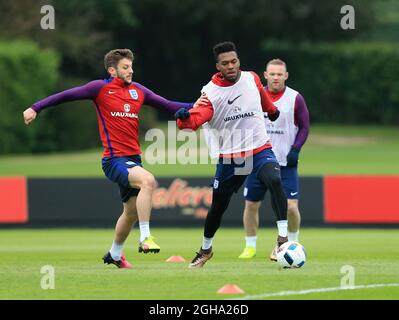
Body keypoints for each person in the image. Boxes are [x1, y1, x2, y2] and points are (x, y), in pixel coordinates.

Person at [23, 48, 204, 269]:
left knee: (130, 212)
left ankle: (115, 253)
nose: (131, 71)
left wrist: (200, 107)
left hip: (133, 160)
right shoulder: (99, 88)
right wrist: (35, 107)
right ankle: (146, 237)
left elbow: (168, 105)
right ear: (112, 70)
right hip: (113, 160)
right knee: (148, 181)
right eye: (125, 67)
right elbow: (65, 96)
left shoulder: (138, 91)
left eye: (131, 67)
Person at [175, 42, 289, 268]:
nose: (231, 66)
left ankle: (282, 241)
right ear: (218, 66)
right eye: (225, 63)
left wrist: (272, 111)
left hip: (259, 149)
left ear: (239, 61)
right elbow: (195, 120)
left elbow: (260, 96)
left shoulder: (252, 78)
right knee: (218, 206)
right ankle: (205, 249)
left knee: (274, 179)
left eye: (234, 61)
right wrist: (184, 119)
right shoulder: (210, 93)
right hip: (231, 157)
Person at [238, 58, 310, 260]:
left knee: (291, 207)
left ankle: (291, 243)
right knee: (251, 204)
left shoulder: (295, 98)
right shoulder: (253, 96)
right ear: (265, 75)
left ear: (286, 76)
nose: (276, 77)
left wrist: (296, 148)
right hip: (258, 160)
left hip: (286, 162)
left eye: (280, 74)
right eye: (272, 74)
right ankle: (250, 246)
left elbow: (305, 126)